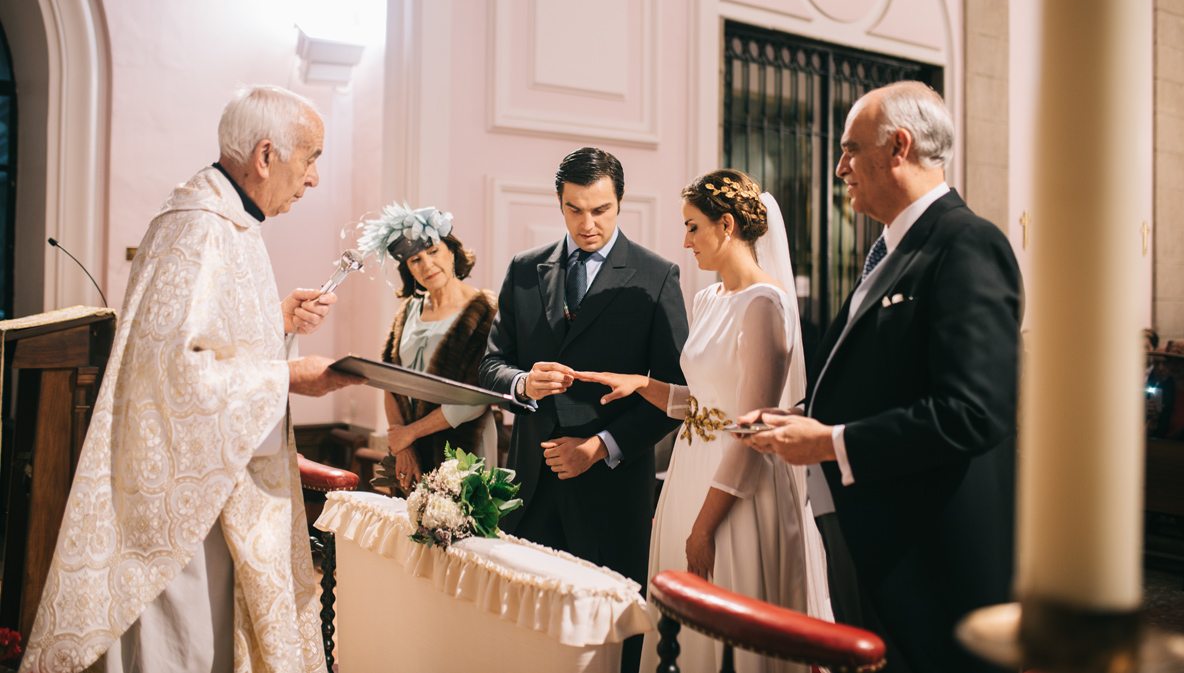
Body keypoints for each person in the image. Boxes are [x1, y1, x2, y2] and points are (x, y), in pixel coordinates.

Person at [21, 85, 362, 673]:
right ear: (264, 156)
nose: (311, 179)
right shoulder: (200, 228)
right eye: (310, 159)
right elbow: (179, 377)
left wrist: (275, 321)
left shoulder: (231, 224)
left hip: (216, 481)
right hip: (186, 506)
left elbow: (208, 342)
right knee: (191, 647)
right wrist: (287, 377)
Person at [741, 81, 1023, 673]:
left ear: (898, 147)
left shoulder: (966, 244)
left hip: (928, 559)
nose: (840, 167)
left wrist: (828, 442)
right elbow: (889, 378)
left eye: (849, 149)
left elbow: (972, 413)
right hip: (872, 538)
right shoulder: (893, 249)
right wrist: (800, 417)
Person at [576, 169, 833, 673]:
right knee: (683, 624)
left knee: (729, 610)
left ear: (728, 226)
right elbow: (703, 403)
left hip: (738, 488)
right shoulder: (707, 299)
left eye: (693, 227)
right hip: (691, 472)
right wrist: (641, 383)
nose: (686, 241)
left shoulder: (765, 304)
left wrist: (705, 525)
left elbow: (751, 428)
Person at [478, 147, 689, 673]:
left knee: (611, 640)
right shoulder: (525, 271)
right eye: (575, 209)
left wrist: (601, 447)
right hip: (531, 487)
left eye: (601, 210)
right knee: (531, 632)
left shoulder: (657, 276)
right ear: (559, 202)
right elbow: (490, 365)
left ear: (620, 204)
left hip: (613, 495)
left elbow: (677, 393)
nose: (588, 224)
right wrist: (524, 381)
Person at [360, 203, 499, 491]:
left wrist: (408, 434)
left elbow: (475, 399)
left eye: (433, 251)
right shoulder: (407, 311)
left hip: (464, 446)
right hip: (412, 448)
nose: (427, 265)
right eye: (414, 260)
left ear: (451, 250)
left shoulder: (486, 310)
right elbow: (389, 380)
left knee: (462, 531)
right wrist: (404, 446)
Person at [1148, 339, 1184, 441]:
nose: (1175, 365)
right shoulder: (1161, 391)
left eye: (1181, 361)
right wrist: (1153, 419)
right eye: (1171, 361)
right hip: (1163, 451)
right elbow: (1145, 437)